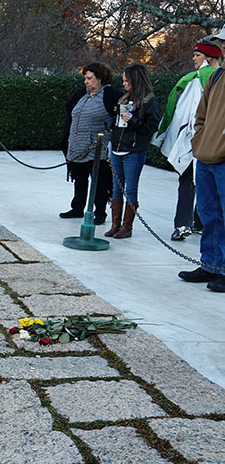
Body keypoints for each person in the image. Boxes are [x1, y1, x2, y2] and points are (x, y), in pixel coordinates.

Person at [152, 40, 221, 241]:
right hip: (214, 141)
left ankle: (183, 224)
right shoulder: (204, 78)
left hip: (196, 140)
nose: (193, 58)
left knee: (188, 181)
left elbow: (183, 112)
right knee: (209, 185)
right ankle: (200, 223)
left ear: (208, 57)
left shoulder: (196, 79)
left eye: (197, 55)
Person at [180, 28, 225, 292]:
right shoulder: (217, 76)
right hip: (206, 157)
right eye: (220, 43)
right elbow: (201, 116)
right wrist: (200, 141)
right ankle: (211, 265)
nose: (221, 46)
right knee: (209, 214)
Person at [61, 63, 122, 225]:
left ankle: (100, 212)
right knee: (79, 178)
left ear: (100, 79)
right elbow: (70, 111)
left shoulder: (110, 95)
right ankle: (77, 208)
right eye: (85, 78)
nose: (86, 82)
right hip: (78, 146)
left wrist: (110, 127)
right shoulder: (82, 95)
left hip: (97, 147)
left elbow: (121, 115)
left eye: (89, 78)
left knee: (99, 180)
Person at [106, 64, 160, 238]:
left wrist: (133, 120)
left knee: (130, 189)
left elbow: (151, 126)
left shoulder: (149, 101)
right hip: (117, 148)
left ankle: (127, 227)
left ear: (135, 80)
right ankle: (115, 224)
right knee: (116, 188)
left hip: (134, 151)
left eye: (126, 80)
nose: (124, 84)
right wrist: (110, 123)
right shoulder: (124, 99)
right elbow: (117, 119)